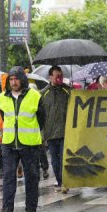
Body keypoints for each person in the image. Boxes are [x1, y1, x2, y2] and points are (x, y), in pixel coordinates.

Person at [0, 66, 46, 212]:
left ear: (22, 80)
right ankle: (7, 209)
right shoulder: (2, 97)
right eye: (11, 79)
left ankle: (31, 208)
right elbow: (3, 117)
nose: (13, 82)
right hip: (9, 143)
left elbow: (42, 118)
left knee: (32, 178)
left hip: (30, 144)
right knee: (8, 179)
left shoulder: (35, 96)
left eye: (16, 79)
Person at [40, 65, 71, 193]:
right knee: (54, 161)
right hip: (50, 133)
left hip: (65, 131)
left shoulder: (68, 91)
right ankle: (59, 181)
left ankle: (64, 182)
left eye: (61, 75)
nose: (59, 78)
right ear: (50, 77)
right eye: (57, 75)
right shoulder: (43, 93)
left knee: (64, 158)